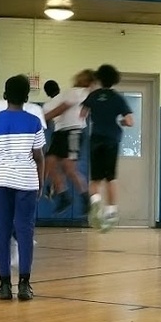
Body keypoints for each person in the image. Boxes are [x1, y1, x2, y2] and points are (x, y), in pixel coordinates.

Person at [0, 75, 46, 301]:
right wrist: (41, 183)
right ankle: (25, 285)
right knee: (25, 232)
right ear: (27, 97)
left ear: (5, 95)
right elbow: (39, 157)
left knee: (2, 233)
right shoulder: (33, 121)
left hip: (1, 181)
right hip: (26, 182)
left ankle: (4, 286)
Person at [81, 64, 133, 231]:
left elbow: (82, 114)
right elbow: (130, 121)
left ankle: (95, 202)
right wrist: (122, 122)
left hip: (96, 139)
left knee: (95, 179)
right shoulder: (118, 98)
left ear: (99, 78)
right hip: (112, 139)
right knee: (110, 177)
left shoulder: (93, 96)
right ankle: (111, 211)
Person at [42, 69, 94, 214]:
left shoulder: (79, 92)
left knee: (69, 168)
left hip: (73, 131)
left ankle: (85, 197)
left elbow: (61, 109)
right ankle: (63, 194)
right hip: (61, 132)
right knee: (50, 163)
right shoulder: (75, 93)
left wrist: (42, 118)